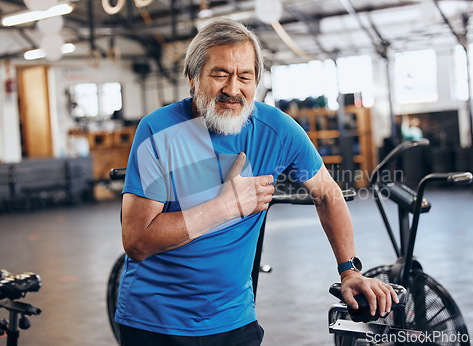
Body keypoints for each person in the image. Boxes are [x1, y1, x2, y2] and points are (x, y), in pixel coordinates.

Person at [115, 18, 398, 346]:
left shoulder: (277, 130)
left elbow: (327, 194)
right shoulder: (157, 131)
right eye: (220, 74)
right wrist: (225, 206)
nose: (233, 89)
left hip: (233, 319)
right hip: (155, 323)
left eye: (244, 76)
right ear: (192, 78)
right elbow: (137, 242)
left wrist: (349, 270)